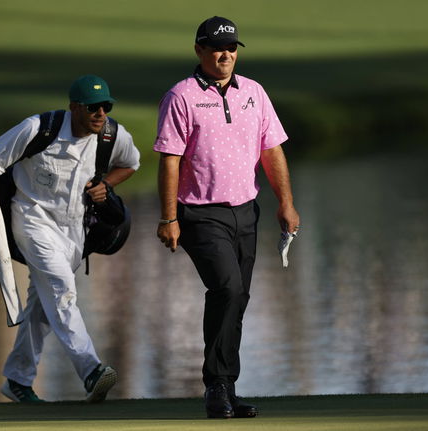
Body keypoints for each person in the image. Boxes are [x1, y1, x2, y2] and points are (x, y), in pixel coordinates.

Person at [0, 74, 140, 402]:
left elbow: (131, 163)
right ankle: (90, 369)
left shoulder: (112, 135)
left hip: (75, 230)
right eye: (93, 107)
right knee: (61, 289)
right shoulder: (37, 129)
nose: (100, 114)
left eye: (105, 106)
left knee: (42, 304)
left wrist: (106, 185)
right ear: (74, 108)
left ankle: (17, 380)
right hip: (32, 220)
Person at [154, 16, 300, 418]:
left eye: (232, 47)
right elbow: (170, 160)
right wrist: (169, 219)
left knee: (239, 299)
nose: (226, 55)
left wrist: (285, 202)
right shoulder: (181, 96)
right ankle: (216, 385)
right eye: (218, 48)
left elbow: (271, 150)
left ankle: (227, 388)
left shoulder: (253, 92)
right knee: (228, 290)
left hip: (246, 212)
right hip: (200, 214)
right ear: (199, 50)